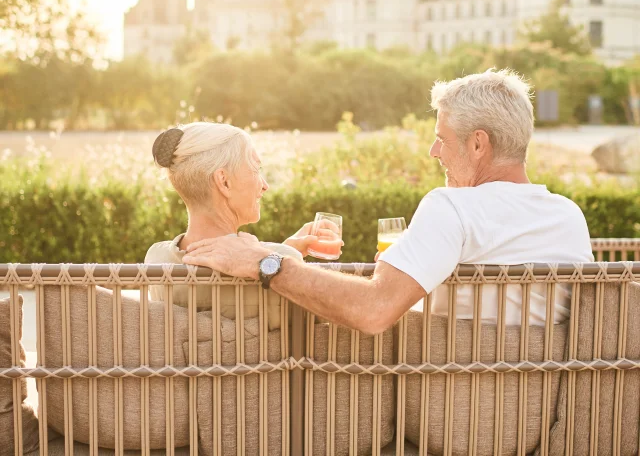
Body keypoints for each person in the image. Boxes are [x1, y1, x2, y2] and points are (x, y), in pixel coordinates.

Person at [182, 69, 594, 333]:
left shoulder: (452, 208)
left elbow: (373, 310)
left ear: (478, 144)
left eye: (442, 139)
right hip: (540, 418)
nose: (435, 152)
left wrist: (266, 262)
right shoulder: (568, 216)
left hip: (450, 419)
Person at [144, 121, 341, 330]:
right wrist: (283, 254)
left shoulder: (157, 260)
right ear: (224, 182)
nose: (265, 185)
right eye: (256, 169)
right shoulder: (284, 264)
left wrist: (284, 249)